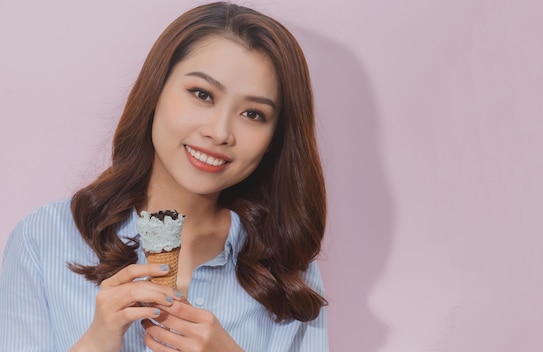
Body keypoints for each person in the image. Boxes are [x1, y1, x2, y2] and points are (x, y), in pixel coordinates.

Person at [0, 2, 328, 351]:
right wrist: (97, 341)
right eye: (202, 94)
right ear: (155, 92)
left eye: (253, 113)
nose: (219, 133)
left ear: (273, 140)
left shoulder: (289, 273)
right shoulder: (45, 238)